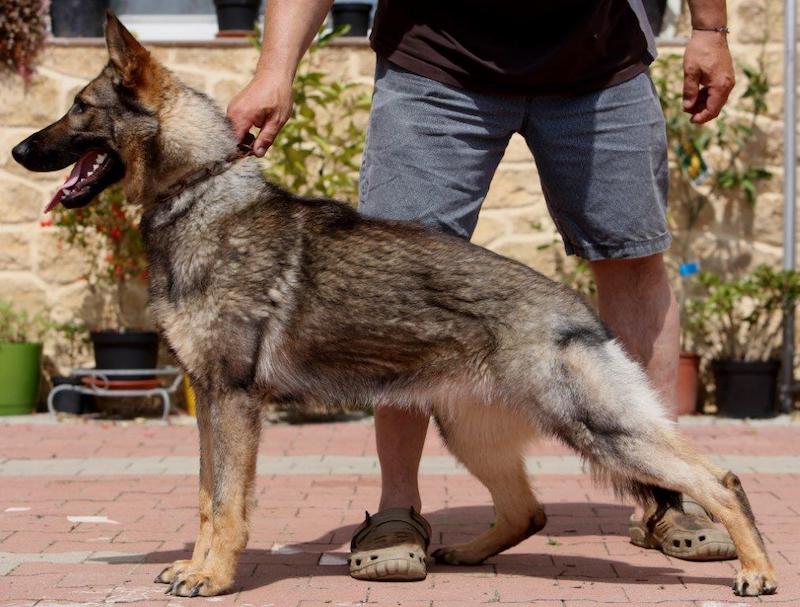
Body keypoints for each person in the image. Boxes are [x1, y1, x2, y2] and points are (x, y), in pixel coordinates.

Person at [228, 0, 737, 582]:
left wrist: (709, 29)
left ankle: (665, 495)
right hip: (435, 67)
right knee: (396, 281)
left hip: (600, 64)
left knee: (632, 260)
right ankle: (397, 508)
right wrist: (275, 69)